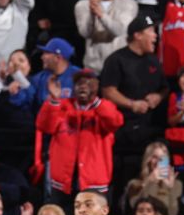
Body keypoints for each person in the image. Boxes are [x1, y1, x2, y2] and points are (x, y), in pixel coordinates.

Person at [36, 69, 123, 206]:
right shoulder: (62, 106)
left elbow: (115, 122)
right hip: (63, 183)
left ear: (96, 86)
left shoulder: (103, 108)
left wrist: (95, 102)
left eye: (88, 83)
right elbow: (44, 126)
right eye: (79, 83)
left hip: (94, 183)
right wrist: (54, 99)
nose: (83, 86)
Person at [100, 14, 168, 147]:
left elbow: (165, 87)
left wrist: (158, 97)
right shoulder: (116, 60)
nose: (155, 36)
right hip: (124, 127)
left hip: (151, 126)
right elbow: (108, 92)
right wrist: (132, 104)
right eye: (151, 31)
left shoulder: (153, 60)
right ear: (138, 35)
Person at [74, 0, 138, 73]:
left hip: (120, 66)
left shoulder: (129, 4)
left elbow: (120, 31)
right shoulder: (82, 5)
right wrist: (91, 12)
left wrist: (101, 14)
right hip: (93, 66)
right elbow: (85, 33)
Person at [124, 141, 183, 215]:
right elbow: (134, 206)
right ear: (148, 160)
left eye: (162, 158)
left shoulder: (177, 184)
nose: (158, 161)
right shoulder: (135, 183)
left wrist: (170, 188)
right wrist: (149, 181)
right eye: (155, 157)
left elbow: (173, 214)